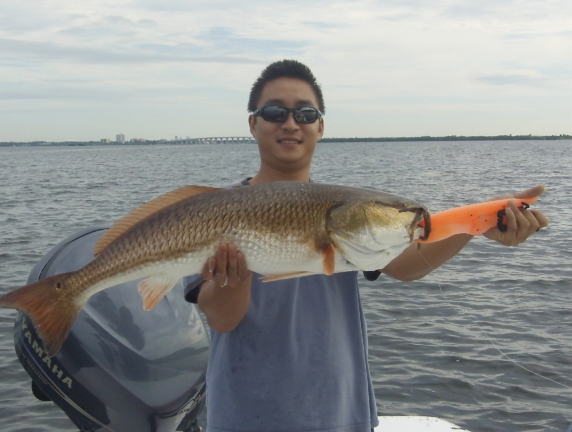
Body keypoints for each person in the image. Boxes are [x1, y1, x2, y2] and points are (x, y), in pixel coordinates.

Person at [183, 59, 549, 432]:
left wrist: (480, 222)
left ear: (320, 126)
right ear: (253, 123)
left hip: (342, 414)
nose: (291, 123)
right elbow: (223, 319)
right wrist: (234, 272)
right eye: (275, 111)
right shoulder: (209, 214)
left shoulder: (347, 213)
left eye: (305, 113)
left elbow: (408, 264)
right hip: (248, 417)